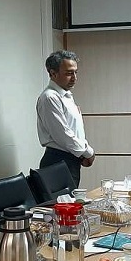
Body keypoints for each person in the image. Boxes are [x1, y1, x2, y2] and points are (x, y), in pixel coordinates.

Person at [36, 50, 94, 186]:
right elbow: (63, 134)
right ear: (53, 73)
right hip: (57, 160)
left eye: (75, 72)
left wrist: (82, 152)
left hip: (71, 158)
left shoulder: (66, 95)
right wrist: (88, 152)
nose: (74, 78)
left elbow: (74, 130)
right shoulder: (50, 97)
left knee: (71, 198)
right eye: (69, 73)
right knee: (62, 200)